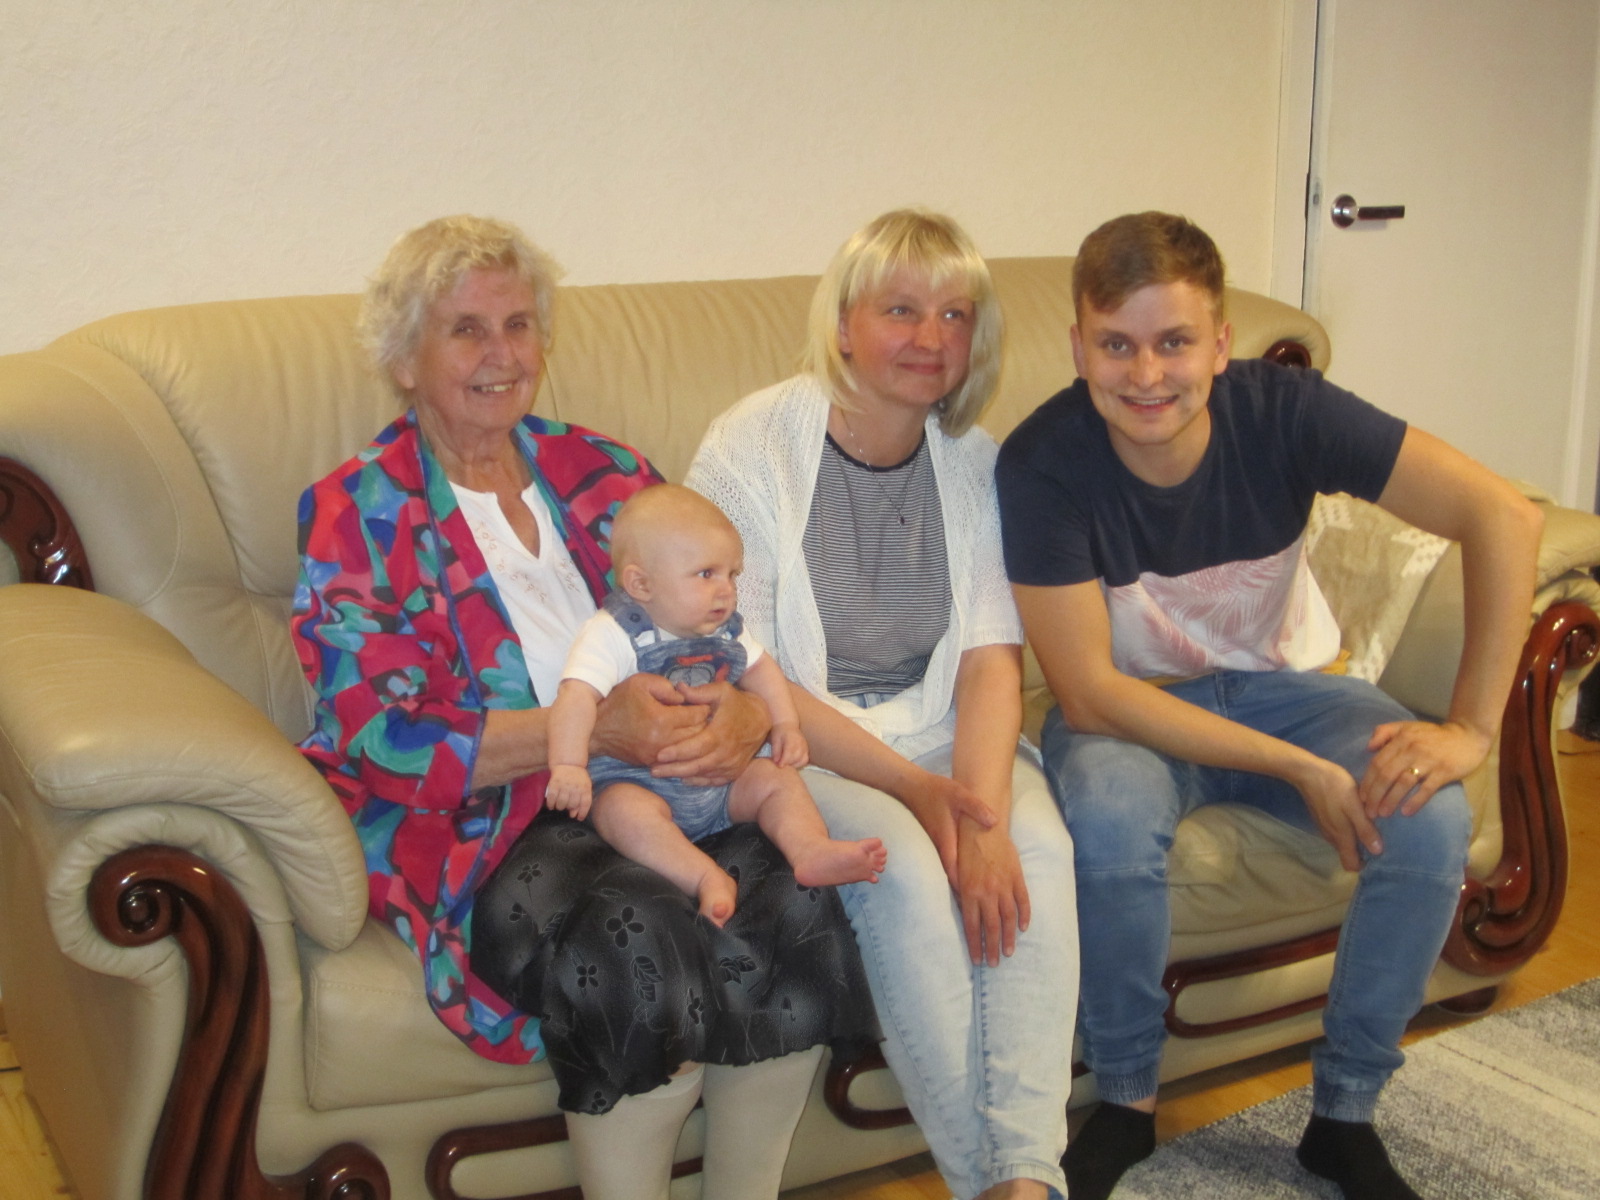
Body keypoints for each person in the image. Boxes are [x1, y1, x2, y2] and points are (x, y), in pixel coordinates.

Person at [291, 215, 879, 1200]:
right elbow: (379, 735)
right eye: (466, 330)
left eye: (518, 325)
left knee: (794, 902)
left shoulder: (603, 472)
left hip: (674, 792)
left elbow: (716, 613)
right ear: (403, 359)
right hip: (501, 822)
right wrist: (596, 730)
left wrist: (742, 714)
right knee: (639, 934)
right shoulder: (360, 510)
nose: (501, 354)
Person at [995, 211, 1543, 1200]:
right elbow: (1089, 692)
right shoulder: (1042, 462)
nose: (1146, 374)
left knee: (1429, 818)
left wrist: (1469, 728)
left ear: (1220, 342)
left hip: (1292, 690)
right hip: (1134, 715)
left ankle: (1344, 1117)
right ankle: (1124, 1099)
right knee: (1109, 826)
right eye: (1116, 345)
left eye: (1174, 342)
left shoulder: (1286, 413)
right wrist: (1295, 769)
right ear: (1078, 347)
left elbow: (1501, 514)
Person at [687, 208, 1078, 1200]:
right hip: (804, 741)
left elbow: (990, 659)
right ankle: (985, 1182)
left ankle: (1029, 1180)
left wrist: (978, 814)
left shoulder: (977, 462)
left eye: (955, 314)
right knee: (898, 865)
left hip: (945, 728)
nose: (931, 337)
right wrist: (920, 795)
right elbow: (748, 664)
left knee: (1037, 849)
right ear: (844, 323)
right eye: (901, 309)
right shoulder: (750, 448)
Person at [546, 483, 888, 923]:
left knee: (776, 779)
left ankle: (810, 849)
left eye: (732, 575)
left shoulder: (727, 631)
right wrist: (569, 765)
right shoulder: (613, 633)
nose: (727, 591)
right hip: (641, 783)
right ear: (641, 584)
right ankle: (705, 877)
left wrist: (785, 726)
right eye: (707, 574)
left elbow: (763, 671)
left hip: (723, 784)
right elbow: (575, 696)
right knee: (619, 812)